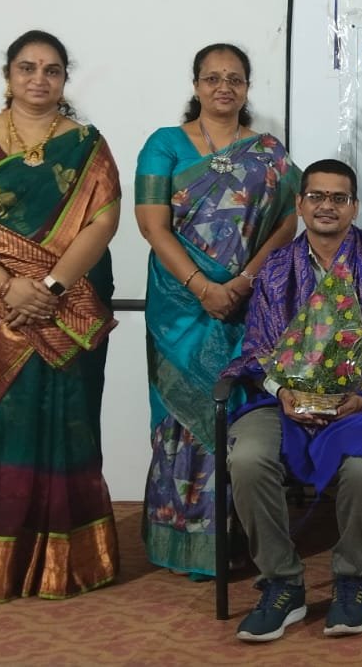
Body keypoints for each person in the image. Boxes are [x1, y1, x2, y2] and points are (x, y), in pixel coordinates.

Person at [0, 29, 122, 601]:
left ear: (64, 79)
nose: (39, 79)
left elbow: (103, 222)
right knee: (2, 423)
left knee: (71, 422)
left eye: (51, 69)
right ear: (8, 75)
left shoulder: (87, 145)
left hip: (67, 304)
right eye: (27, 68)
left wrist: (50, 286)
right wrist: (3, 285)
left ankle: (71, 562)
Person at [222, 159, 362, 641]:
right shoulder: (275, 269)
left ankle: (352, 580)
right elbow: (258, 347)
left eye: (338, 198)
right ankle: (283, 584)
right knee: (247, 458)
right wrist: (283, 391)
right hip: (283, 402)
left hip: (358, 403)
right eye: (317, 196)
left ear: (354, 207)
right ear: (300, 204)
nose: (327, 206)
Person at [135, 42, 299, 578]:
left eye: (235, 78)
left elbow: (287, 222)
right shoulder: (164, 145)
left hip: (243, 304)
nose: (223, 87)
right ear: (196, 85)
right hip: (179, 305)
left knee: (237, 413)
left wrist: (245, 280)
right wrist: (202, 284)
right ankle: (179, 538)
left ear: (247, 88)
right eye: (212, 78)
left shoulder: (268, 152)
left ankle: (235, 537)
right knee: (179, 418)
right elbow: (152, 224)